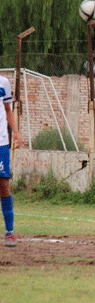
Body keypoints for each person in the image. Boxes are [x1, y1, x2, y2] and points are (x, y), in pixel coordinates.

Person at [0, 75, 23, 247]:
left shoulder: (4, 82)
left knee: (4, 183)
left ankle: (10, 231)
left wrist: (16, 132)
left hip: (1, 141)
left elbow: (8, 109)